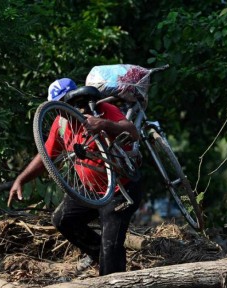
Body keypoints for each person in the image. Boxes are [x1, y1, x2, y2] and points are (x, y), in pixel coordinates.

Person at [8, 78, 142, 276]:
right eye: (57, 105)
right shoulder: (61, 122)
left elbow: (132, 132)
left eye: (66, 102)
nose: (63, 109)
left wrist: (103, 124)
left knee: (111, 245)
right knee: (62, 219)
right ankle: (98, 254)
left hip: (120, 189)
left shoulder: (101, 109)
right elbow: (46, 155)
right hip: (92, 191)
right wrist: (21, 179)